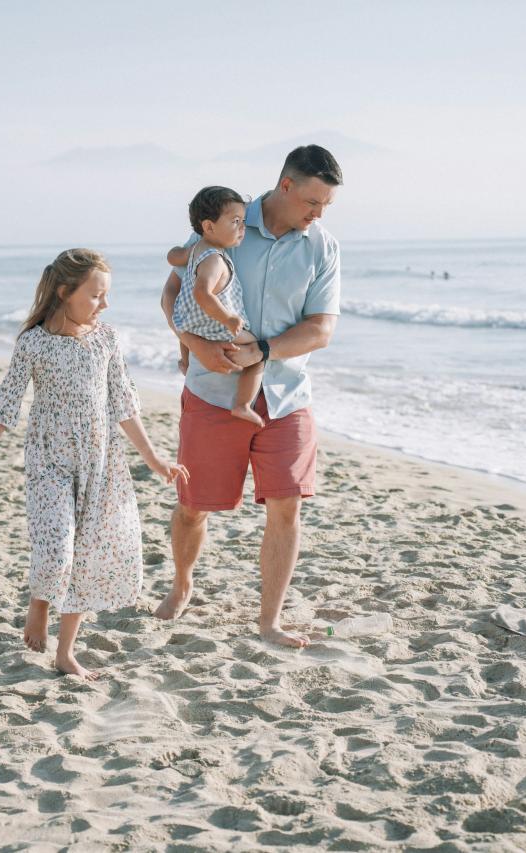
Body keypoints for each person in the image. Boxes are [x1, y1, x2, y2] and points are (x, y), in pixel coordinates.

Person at [0, 249, 188, 680]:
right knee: (55, 551)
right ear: (65, 291)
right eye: (96, 295)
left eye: (106, 296)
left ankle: (66, 652)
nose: (104, 304)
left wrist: (155, 459)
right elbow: (6, 404)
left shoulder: (106, 338)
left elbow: (123, 404)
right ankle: (38, 605)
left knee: (85, 558)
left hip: (101, 463)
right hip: (49, 461)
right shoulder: (34, 343)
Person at [159, 144, 343, 647]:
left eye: (326, 205)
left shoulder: (321, 246)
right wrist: (195, 345)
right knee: (194, 505)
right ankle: (183, 583)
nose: (318, 213)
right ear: (286, 186)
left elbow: (321, 329)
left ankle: (270, 621)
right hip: (212, 393)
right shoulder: (229, 221)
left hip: (285, 395)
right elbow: (173, 294)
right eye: (312, 201)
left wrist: (259, 352)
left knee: (287, 505)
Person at [167, 186, 264, 427]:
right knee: (259, 352)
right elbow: (203, 292)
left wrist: (177, 253)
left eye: (242, 221)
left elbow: (172, 257)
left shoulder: (195, 249)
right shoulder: (214, 258)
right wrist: (228, 318)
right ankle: (242, 405)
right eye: (235, 221)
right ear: (209, 226)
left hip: (188, 320)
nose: (242, 228)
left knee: (186, 325)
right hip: (214, 324)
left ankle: (186, 362)